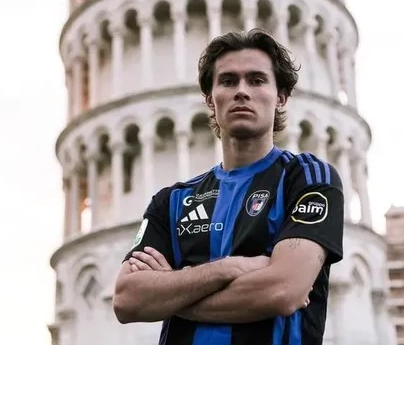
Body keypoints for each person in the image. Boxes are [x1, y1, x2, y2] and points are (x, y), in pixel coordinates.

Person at [112, 28, 345, 349]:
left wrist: (170, 294)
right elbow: (127, 299)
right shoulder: (173, 201)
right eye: (228, 81)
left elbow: (283, 291)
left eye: (257, 80)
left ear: (280, 97)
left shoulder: (308, 178)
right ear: (210, 98)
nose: (242, 91)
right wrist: (230, 268)